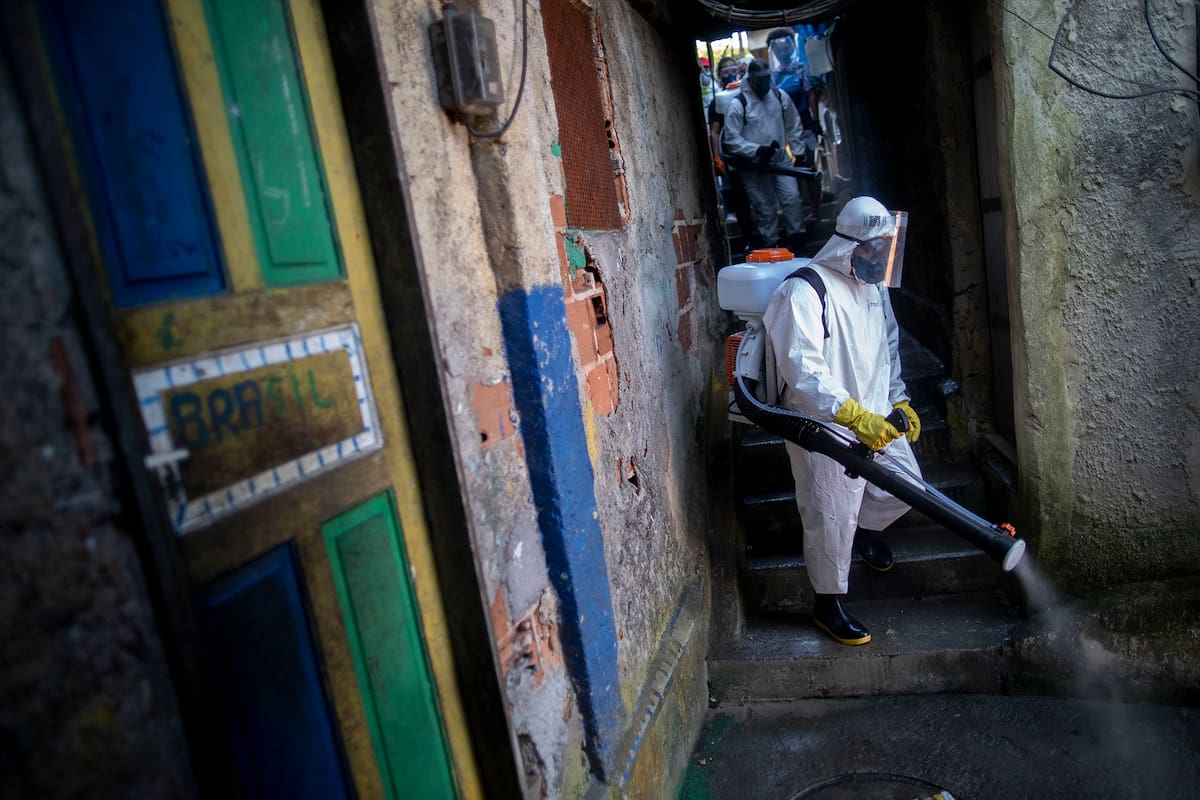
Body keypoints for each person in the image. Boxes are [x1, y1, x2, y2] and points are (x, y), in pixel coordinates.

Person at [761, 196, 923, 646]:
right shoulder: (802, 291)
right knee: (829, 513)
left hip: (875, 412)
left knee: (906, 485)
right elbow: (803, 371)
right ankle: (827, 603)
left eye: (887, 249)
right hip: (824, 424)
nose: (882, 259)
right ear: (850, 245)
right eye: (876, 249)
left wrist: (899, 398)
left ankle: (865, 530)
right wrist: (852, 415)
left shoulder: (873, 288)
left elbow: (887, 347)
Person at [721, 58, 806, 251]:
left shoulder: (779, 96)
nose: (765, 83)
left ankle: (798, 243)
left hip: (780, 159)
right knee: (765, 209)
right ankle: (771, 246)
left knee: (792, 200)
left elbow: (793, 125)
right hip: (755, 166)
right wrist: (756, 150)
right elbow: (731, 140)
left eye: (767, 78)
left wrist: (799, 152)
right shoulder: (739, 104)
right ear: (751, 79)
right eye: (761, 79)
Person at [766, 27, 822, 224]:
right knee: (790, 173)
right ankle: (797, 215)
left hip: (804, 126)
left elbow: (811, 95)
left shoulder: (800, 70)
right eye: (778, 48)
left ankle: (815, 210)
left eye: (786, 47)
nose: (783, 52)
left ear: (792, 47)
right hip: (781, 132)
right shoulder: (772, 76)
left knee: (809, 167)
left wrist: (815, 121)